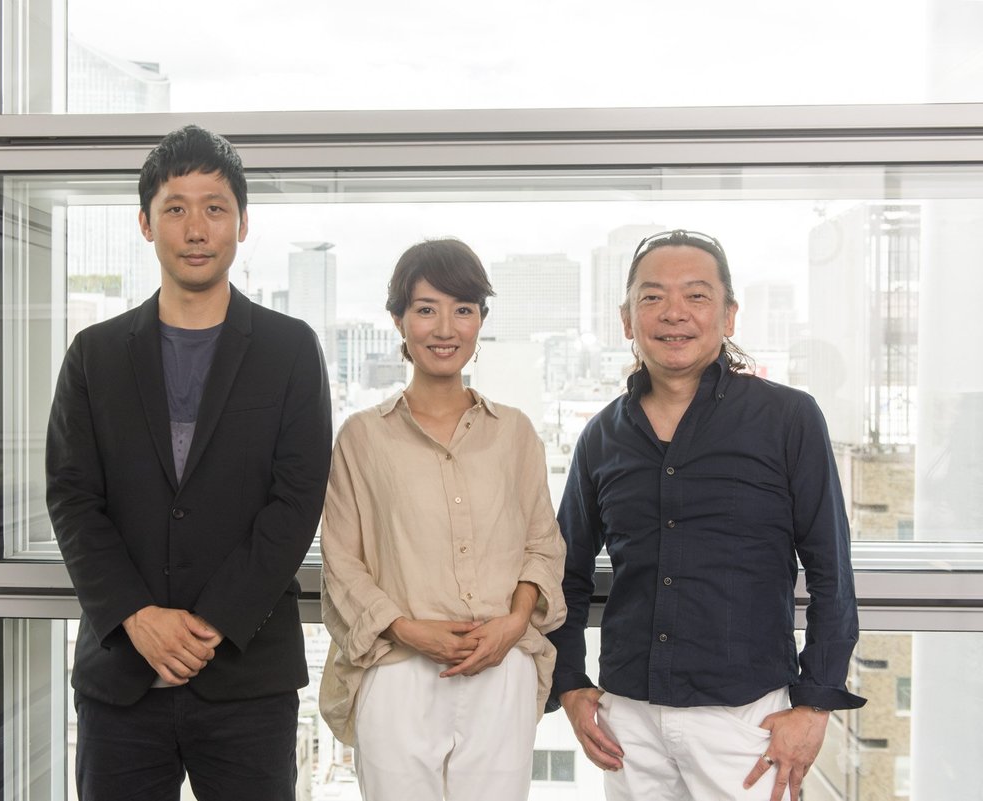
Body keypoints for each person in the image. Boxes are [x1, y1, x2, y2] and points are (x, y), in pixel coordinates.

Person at [45, 125, 332, 801]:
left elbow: (296, 501)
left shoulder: (290, 349)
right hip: (121, 679)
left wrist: (209, 627)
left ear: (242, 224)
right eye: (175, 208)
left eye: (214, 208)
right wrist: (138, 618)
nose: (196, 229)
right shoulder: (94, 355)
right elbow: (72, 497)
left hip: (247, 679)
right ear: (146, 224)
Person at [549, 229, 866, 801]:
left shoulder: (788, 418)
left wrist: (815, 704)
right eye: (652, 297)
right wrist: (570, 682)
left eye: (696, 295)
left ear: (729, 315)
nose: (674, 313)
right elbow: (565, 572)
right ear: (627, 320)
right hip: (627, 721)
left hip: (748, 720)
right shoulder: (602, 435)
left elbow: (831, 572)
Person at [318, 238, 566, 801]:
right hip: (398, 668)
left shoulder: (515, 432)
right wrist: (407, 629)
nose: (446, 328)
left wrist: (514, 622)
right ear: (399, 321)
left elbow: (543, 545)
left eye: (463, 309)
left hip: (501, 665)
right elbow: (342, 561)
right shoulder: (362, 436)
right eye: (426, 309)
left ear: (481, 321)